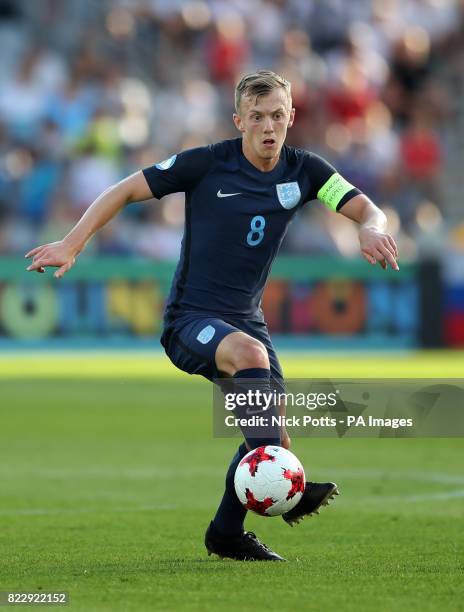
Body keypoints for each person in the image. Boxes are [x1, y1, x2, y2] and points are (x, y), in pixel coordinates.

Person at [26, 70, 399, 561]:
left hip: (249, 322)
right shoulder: (207, 165)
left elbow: (367, 208)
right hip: (190, 320)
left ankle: (226, 532)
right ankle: (288, 491)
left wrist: (370, 228)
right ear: (239, 119)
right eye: (258, 117)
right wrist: (71, 244)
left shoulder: (304, 173)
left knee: (273, 434)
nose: (269, 127)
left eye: (277, 116)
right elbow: (122, 190)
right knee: (253, 376)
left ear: (292, 117)